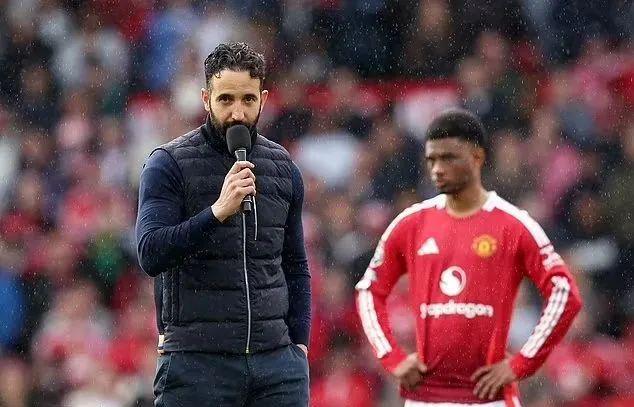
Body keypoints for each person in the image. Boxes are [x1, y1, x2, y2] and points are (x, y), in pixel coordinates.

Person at [355, 109, 582, 406]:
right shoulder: (411, 224)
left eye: (448, 158)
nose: (438, 169)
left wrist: (522, 362)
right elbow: (369, 290)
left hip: (489, 398)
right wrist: (392, 357)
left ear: (477, 157)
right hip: (425, 398)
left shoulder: (513, 225)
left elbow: (564, 293)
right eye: (432, 160)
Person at [135, 42, 310, 406]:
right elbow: (151, 253)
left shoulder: (283, 167)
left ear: (263, 99)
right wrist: (216, 213)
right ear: (205, 98)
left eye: (248, 99)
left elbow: (295, 264)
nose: (237, 113)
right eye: (226, 99)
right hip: (197, 363)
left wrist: (299, 345)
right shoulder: (168, 164)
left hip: (276, 365)